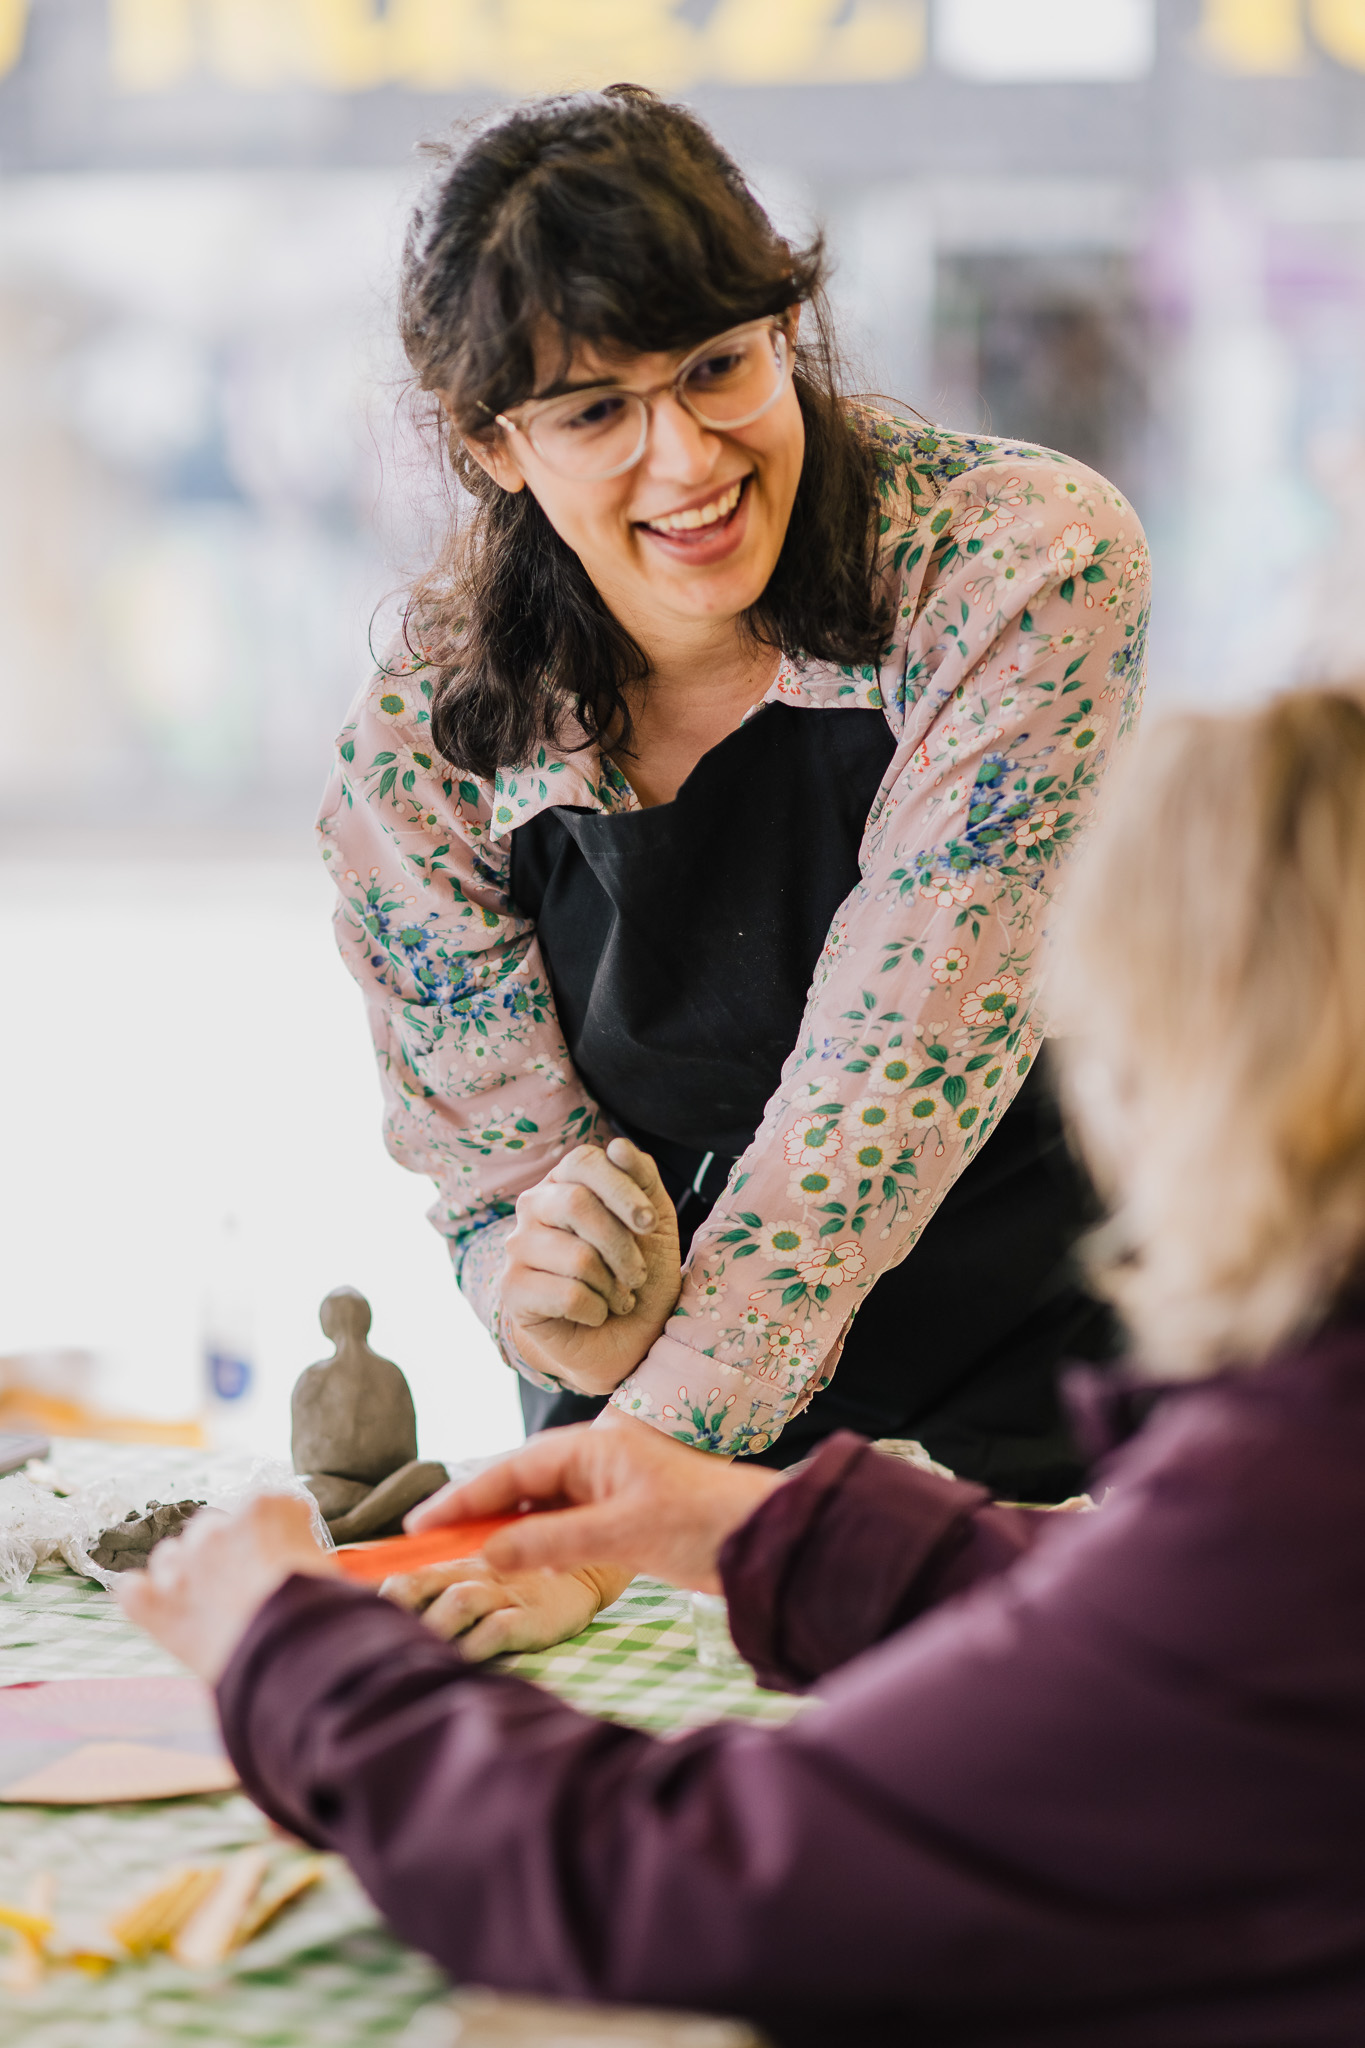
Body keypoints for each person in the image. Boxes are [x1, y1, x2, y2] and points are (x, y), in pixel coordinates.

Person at [125, 684, 1365, 2045]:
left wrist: (293, 1656)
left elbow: (662, 1879)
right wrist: (760, 1524)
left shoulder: (1287, 1505)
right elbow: (1152, 1634)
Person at [319, 84, 1149, 1651]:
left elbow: (888, 1085)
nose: (686, 459)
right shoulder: (423, 738)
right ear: (488, 445)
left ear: (790, 326)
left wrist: (629, 1489)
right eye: (591, 412)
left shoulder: (1014, 565)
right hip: (636, 1467)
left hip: (1037, 1438)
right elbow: (493, 1161)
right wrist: (549, 1286)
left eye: (716, 368)